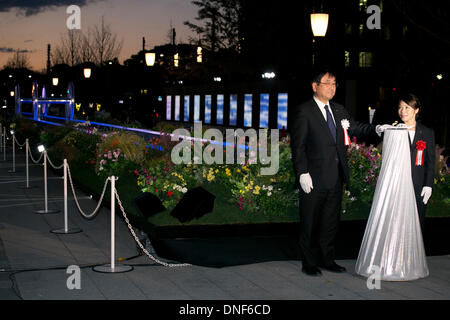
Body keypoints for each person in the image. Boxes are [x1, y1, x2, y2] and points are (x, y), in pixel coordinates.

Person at [289, 69, 386, 276]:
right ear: (315, 86)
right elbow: (298, 146)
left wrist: (377, 129)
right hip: (313, 178)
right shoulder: (304, 111)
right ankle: (309, 262)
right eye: (327, 83)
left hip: (336, 175)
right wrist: (302, 173)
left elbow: (356, 128)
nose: (332, 87)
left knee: (330, 221)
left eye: (334, 84)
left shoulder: (339, 109)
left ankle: (327, 259)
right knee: (310, 222)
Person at [397, 93, 435, 234]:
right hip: (399, 185)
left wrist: (428, 184)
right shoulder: (395, 130)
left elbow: (430, 162)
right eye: (400, 108)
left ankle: (415, 255)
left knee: (417, 224)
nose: (403, 111)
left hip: (419, 185)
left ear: (416, 110)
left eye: (407, 107)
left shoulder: (427, 132)